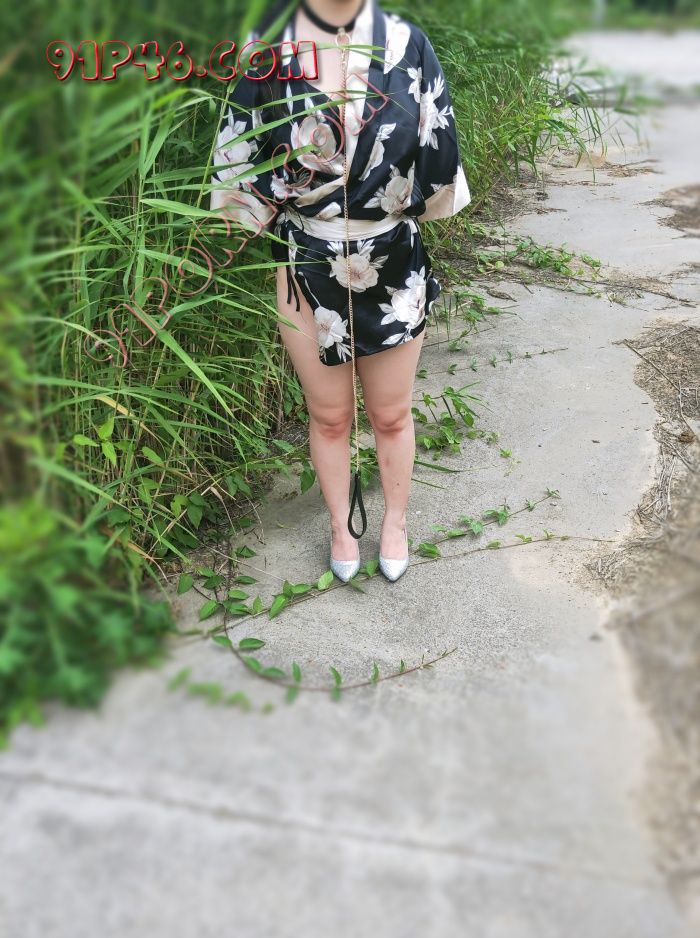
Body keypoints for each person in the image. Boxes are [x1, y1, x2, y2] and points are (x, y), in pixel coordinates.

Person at [210, 0, 470, 582]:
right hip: (304, 257)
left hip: (392, 256)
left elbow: (438, 148)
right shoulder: (266, 46)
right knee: (329, 416)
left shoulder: (406, 43)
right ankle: (339, 526)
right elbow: (237, 158)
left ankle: (395, 522)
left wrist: (393, 210)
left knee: (391, 413)